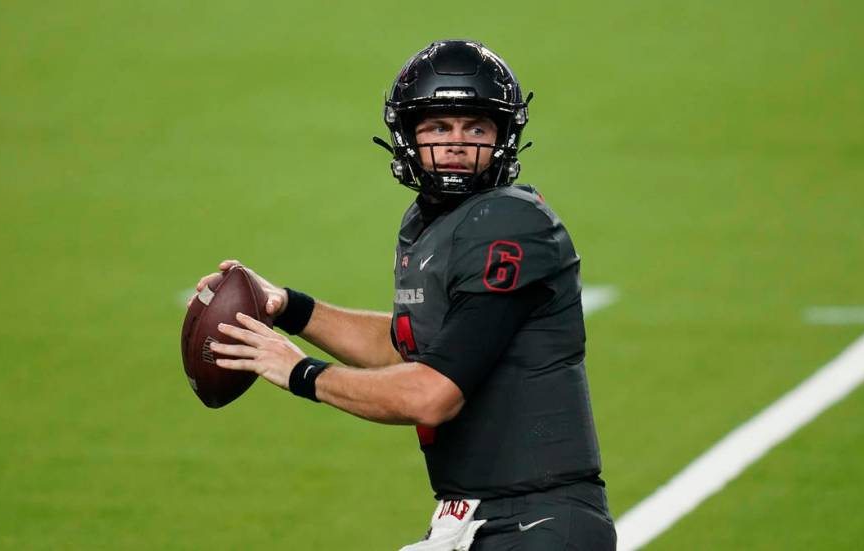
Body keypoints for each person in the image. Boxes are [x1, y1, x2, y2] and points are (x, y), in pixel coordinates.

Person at [189, 40, 616, 550]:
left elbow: (431, 394)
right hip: (477, 520)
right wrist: (288, 306)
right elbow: (407, 348)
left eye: (476, 128)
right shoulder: (429, 222)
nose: (457, 143)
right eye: (439, 127)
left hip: (537, 523)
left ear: (503, 138)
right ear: (408, 137)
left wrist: (301, 372)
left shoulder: (510, 225)